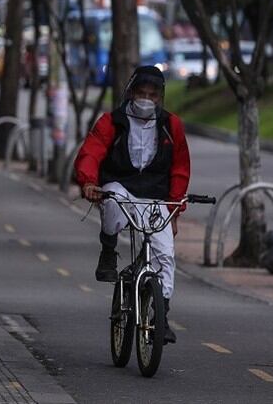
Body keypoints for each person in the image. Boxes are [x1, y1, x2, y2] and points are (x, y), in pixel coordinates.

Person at [73, 65, 190, 345]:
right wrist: (89, 182)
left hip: (155, 196)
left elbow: (180, 167)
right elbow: (90, 152)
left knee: (166, 255)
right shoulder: (110, 122)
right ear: (131, 92)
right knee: (111, 197)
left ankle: (162, 313)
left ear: (161, 97)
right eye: (141, 93)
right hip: (121, 187)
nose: (146, 99)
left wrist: (175, 206)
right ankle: (109, 249)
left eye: (153, 95)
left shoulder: (171, 125)